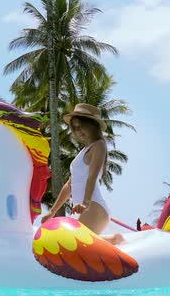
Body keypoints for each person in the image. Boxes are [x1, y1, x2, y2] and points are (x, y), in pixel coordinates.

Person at [41, 103, 124, 245]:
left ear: (92, 125)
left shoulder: (99, 145)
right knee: (79, 245)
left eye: (81, 126)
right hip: (82, 209)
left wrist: (85, 203)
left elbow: (92, 176)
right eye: (75, 128)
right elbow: (69, 185)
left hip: (93, 206)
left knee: (76, 244)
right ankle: (114, 240)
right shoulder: (84, 150)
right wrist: (52, 212)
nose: (78, 131)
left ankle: (115, 240)